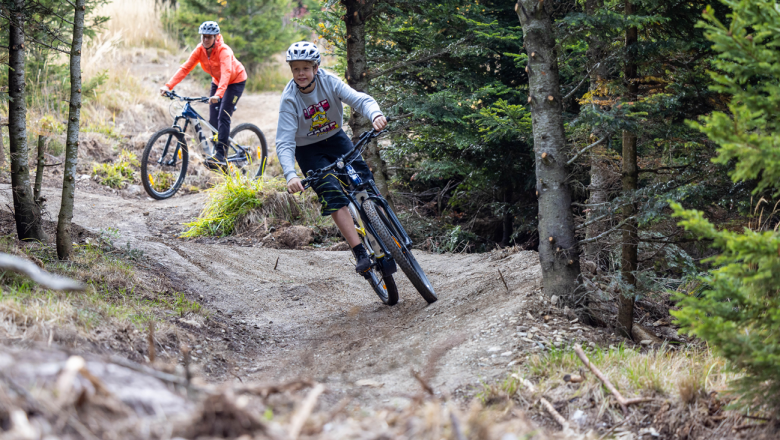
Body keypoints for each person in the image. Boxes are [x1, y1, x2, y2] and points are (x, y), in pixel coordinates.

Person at [276, 41, 388, 274]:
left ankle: (386, 228)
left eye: (305, 68)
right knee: (332, 195)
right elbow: (285, 142)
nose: (300, 74)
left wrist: (375, 114)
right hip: (308, 150)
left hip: (336, 139)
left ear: (316, 68)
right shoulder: (289, 99)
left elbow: (360, 99)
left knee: (364, 182)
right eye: (295, 69)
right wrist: (290, 175)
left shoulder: (329, 81)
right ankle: (359, 252)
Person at [160, 21, 247, 168]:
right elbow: (185, 68)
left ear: (216, 37)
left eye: (209, 37)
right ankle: (216, 151)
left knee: (223, 116)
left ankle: (220, 154)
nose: (205, 40)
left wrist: (219, 95)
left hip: (235, 81)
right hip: (217, 81)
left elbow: (226, 73)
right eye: (203, 37)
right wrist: (168, 85)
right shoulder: (200, 50)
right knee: (213, 119)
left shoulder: (224, 51)